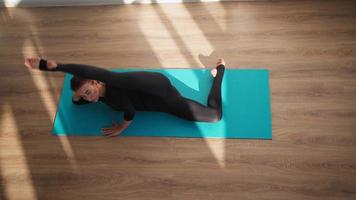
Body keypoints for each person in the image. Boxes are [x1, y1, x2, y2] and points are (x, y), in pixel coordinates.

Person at [24, 57, 225, 137]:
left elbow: (129, 111)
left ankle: (220, 70)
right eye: (84, 95)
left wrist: (55, 66)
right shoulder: (96, 93)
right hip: (143, 91)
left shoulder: (111, 81)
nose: (88, 98)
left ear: (96, 82)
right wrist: (77, 97)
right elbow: (76, 104)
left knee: (215, 116)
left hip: (162, 95)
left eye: (88, 91)